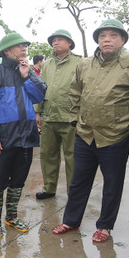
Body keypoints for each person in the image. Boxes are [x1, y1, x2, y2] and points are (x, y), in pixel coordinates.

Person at [51, 20, 129, 244]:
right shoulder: (85, 64)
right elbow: (75, 91)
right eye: (102, 36)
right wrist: (76, 119)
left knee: (112, 183)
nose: (107, 39)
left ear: (123, 39)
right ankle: (71, 220)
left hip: (115, 135)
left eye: (113, 35)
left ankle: (105, 225)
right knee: (79, 180)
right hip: (85, 132)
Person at [0, 32, 46, 238]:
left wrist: (27, 75)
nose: (24, 49)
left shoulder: (27, 71)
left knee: (18, 179)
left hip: (26, 136)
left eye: (25, 46)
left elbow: (40, 94)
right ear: (7, 51)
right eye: (19, 46)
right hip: (3, 137)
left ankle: (12, 216)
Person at [34, 29, 82, 200]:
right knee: (47, 154)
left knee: (72, 157)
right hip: (49, 116)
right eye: (54, 40)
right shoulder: (47, 64)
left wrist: (81, 116)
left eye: (60, 39)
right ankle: (49, 187)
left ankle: (73, 191)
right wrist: (38, 111)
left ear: (69, 43)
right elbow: (41, 87)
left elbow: (84, 89)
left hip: (70, 118)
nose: (56, 42)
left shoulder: (79, 62)